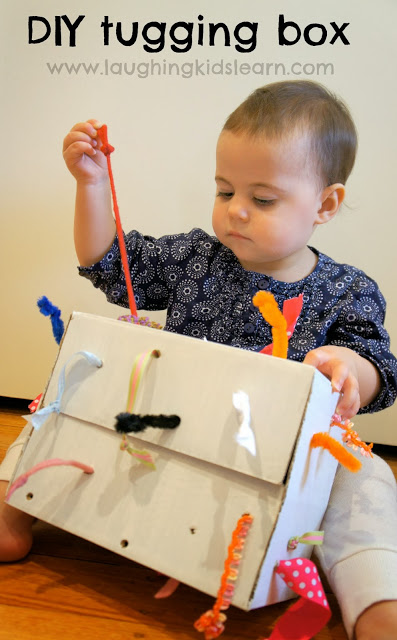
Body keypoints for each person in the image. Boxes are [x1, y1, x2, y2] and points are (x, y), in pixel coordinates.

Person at [1, 80, 397, 638]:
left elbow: (377, 364)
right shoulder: (195, 257)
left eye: (261, 199)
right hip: (165, 429)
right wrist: (90, 184)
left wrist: (348, 368)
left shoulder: (348, 289)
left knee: (368, 481)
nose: (235, 211)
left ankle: (377, 599)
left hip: (285, 453)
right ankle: (10, 507)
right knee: (69, 391)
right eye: (223, 190)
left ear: (325, 204)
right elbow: (108, 262)